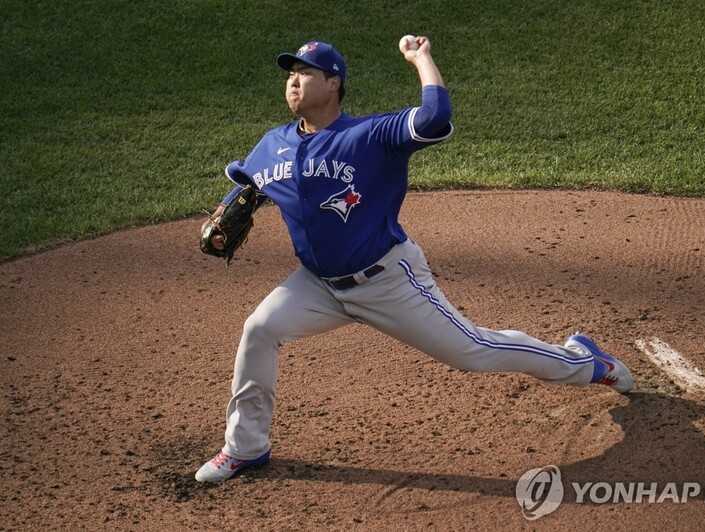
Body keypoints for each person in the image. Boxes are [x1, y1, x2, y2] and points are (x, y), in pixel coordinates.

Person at [195, 37, 634, 483]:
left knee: (475, 351)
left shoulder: (369, 136)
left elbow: (434, 118)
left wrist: (421, 59)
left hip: (387, 280)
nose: (292, 81)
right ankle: (245, 448)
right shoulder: (274, 143)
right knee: (259, 329)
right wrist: (227, 209)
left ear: (333, 84)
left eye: (304, 72)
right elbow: (248, 186)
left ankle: (585, 361)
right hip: (317, 285)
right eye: (290, 73)